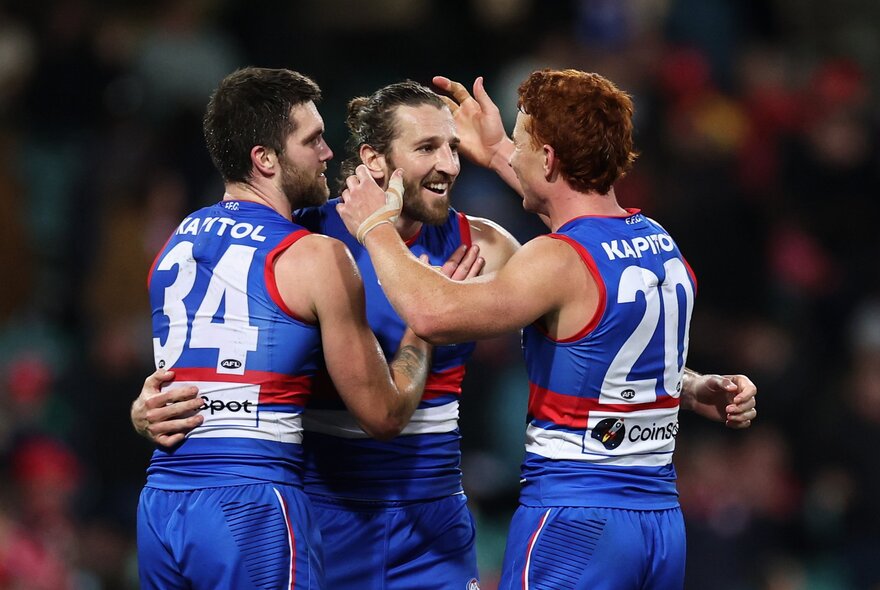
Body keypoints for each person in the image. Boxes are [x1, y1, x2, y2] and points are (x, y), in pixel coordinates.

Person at [335, 68, 759, 589]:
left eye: (519, 143)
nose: (510, 154)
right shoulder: (658, 244)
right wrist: (691, 386)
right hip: (660, 525)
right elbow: (618, 345)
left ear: (549, 158)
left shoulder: (556, 261)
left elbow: (432, 315)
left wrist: (375, 229)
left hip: (576, 520)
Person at [137, 67, 457, 590]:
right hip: (252, 504)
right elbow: (384, 413)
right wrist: (426, 328)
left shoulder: (178, 240)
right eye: (312, 141)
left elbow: (183, 379)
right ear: (265, 159)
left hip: (162, 500)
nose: (330, 153)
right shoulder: (316, 256)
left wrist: (140, 412)